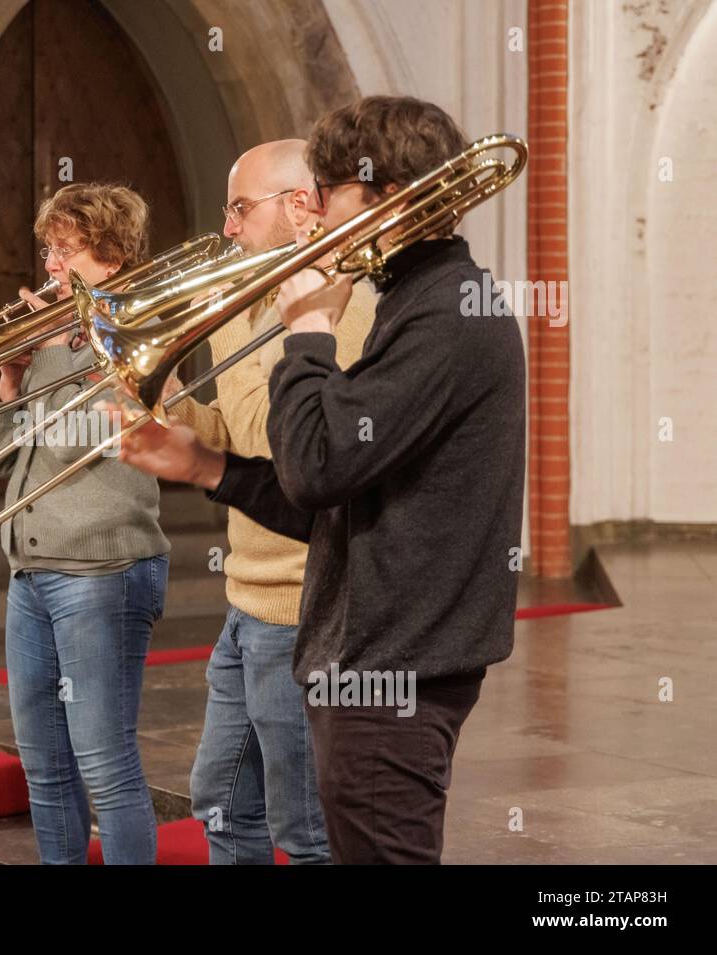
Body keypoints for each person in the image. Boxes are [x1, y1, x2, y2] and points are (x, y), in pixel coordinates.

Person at [115, 96, 525, 863]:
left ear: (379, 196)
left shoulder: (443, 315)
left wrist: (305, 325)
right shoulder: (422, 301)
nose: (318, 211)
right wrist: (204, 465)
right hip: (373, 645)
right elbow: (335, 500)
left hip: (396, 658)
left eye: (330, 191)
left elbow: (314, 464)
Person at [169, 140, 374, 864]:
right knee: (220, 804)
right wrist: (170, 410)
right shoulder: (262, 303)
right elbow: (232, 431)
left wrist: (225, 315)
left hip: (300, 608)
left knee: (306, 834)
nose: (227, 230)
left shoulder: (340, 305)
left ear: (299, 207)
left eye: (239, 209)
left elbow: (285, 441)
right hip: (248, 598)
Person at [0, 183, 168, 864]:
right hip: (33, 571)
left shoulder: (137, 328)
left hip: (103, 570)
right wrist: (8, 377)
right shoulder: (54, 337)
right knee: (46, 769)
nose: (50, 265)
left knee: (106, 767)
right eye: (49, 249)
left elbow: (70, 444)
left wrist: (52, 354)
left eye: (66, 249)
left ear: (110, 253)